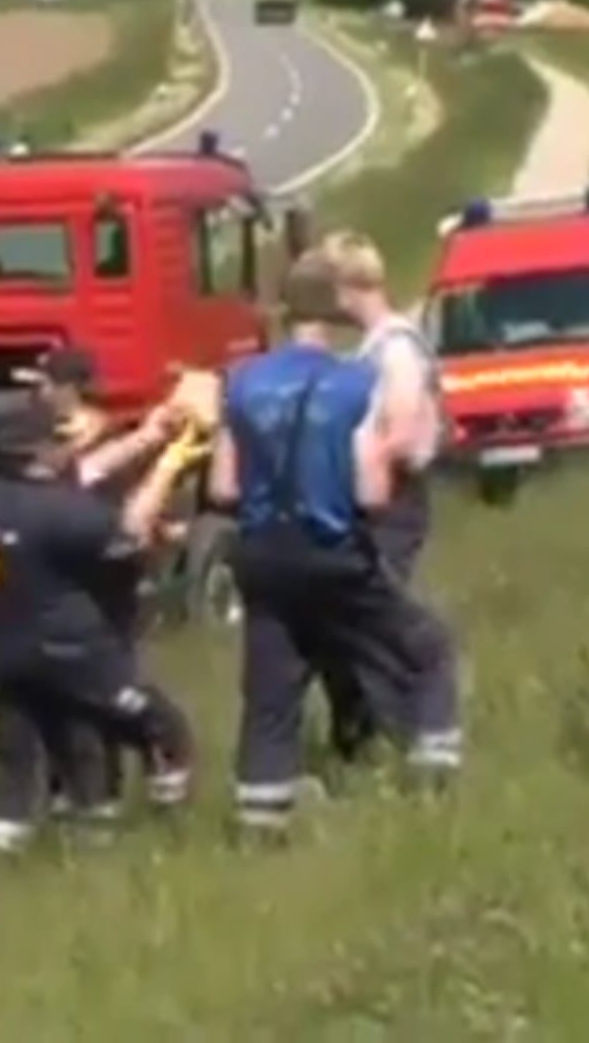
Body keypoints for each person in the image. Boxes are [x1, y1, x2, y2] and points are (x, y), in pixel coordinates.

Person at [214, 314, 463, 834]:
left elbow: (223, 488)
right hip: (333, 552)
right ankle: (433, 778)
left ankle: (261, 816)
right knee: (425, 647)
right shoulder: (355, 385)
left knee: (271, 694)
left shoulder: (241, 384)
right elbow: (370, 491)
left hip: (261, 557)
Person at [0, 417, 202, 854]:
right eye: (62, 443)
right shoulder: (66, 511)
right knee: (162, 728)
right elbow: (129, 534)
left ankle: (3, 850)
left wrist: (150, 434)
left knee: (19, 751)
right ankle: (171, 827)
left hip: (9, 651)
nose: (72, 448)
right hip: (75, 650)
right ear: (40, 457)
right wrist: (167, 467)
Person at [314, 232, 446, 763]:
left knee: (379, 619)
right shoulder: (376, 345)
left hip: (390, 498)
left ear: (346, 288)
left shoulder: (394, 347)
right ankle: (380, 727)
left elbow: (402, 422)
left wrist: (361, 469)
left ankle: (399, 729)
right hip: (383, 495)